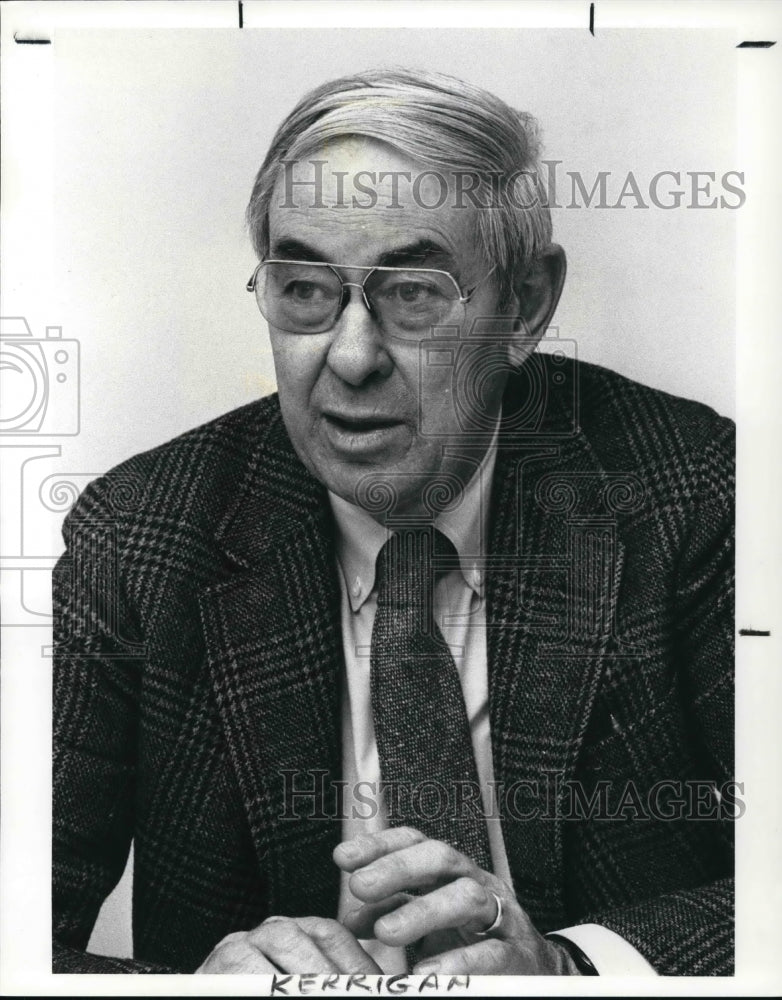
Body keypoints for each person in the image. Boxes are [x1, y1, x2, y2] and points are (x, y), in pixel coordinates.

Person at [52, 68, 734, 976]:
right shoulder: (138, 538)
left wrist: (571, 971)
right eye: (304, 289)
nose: (352, 355)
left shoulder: (693, 492)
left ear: (526, 307)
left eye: (413, 293)